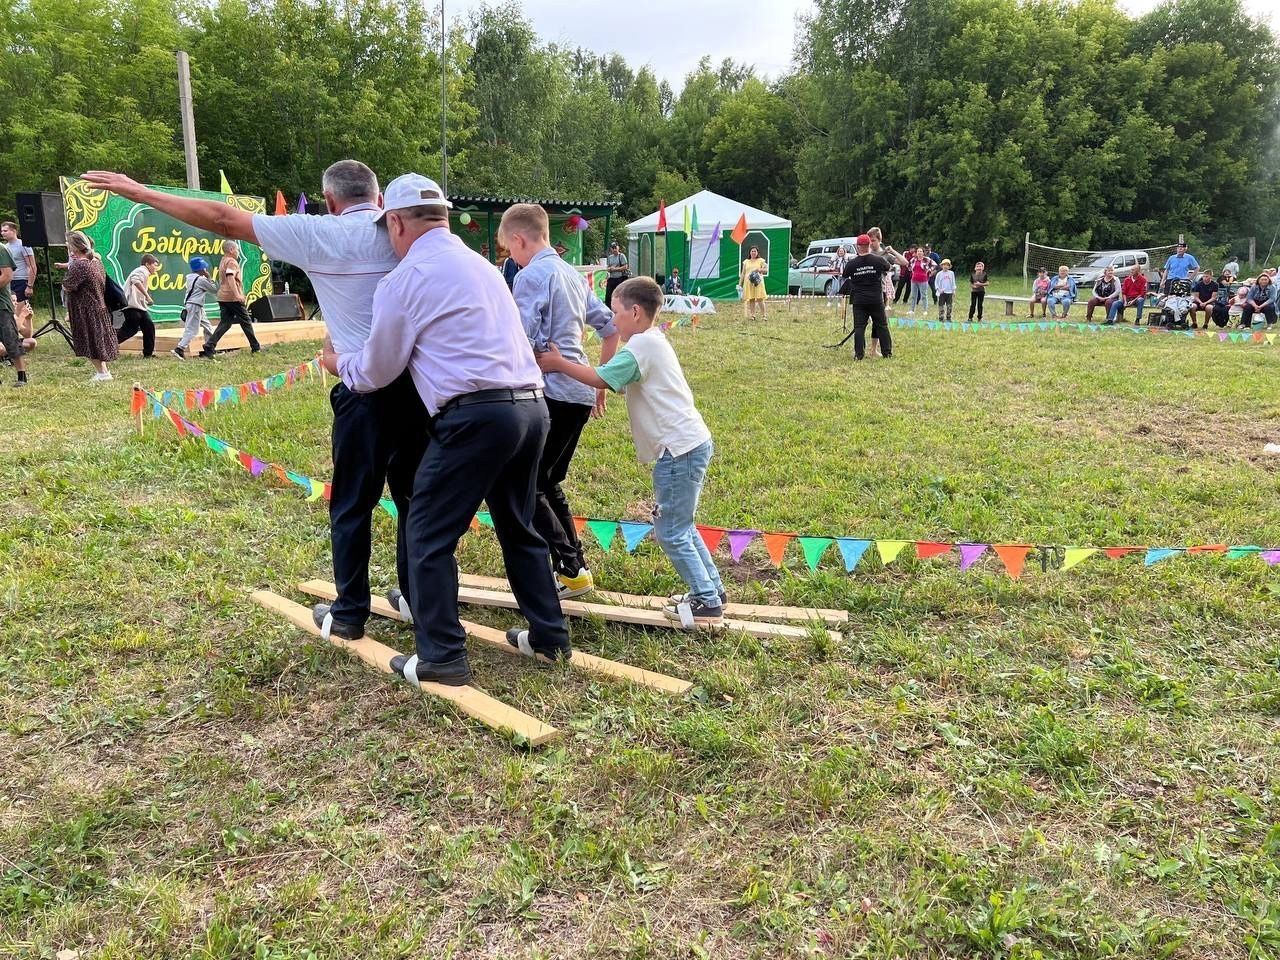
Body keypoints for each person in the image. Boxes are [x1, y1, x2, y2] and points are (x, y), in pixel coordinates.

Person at [83, 162, 430, 641]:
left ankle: (350, 613)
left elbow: (223, 219)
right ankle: (418, 597)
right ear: (378, 198)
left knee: (353, 504)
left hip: (363, 390)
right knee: (414, 499)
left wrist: (142, 194)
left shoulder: (319, 233)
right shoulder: (404, 232)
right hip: (420, 388)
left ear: (330, 201)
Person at [321, 173, 572, 684]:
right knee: (519, 526)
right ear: (443, 216)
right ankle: (550, 636)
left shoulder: (406, 278)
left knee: (427, 532)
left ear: (395, 222)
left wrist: (339, 361)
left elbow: (377, 371)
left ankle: (442, 656)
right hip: (531, 408)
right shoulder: (483, 266)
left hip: (475, 416)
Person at [534, 277, 726, 628]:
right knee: (682, 525)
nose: (612, 321)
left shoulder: (641, 348)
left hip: (678, 449)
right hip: (690, 443)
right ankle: (711, 588)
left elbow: (602, 378)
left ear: (635, 312)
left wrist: (558, 363)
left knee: (671, 531)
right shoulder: (652, 342)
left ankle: (706, 600)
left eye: (616, 313)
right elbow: (618, 380)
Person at [500, 202, 620, 599]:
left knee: (527, 483)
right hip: (578, 392)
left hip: (551, 393)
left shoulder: (532, 275)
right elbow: (610, 328)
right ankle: (576, 568)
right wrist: (599, 382)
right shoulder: (572, 274)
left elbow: (520, 337)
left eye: (509, 251)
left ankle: (569, 566)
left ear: (520, 240)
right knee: (547, 481)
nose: (511, 259)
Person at [841, 233, 908, 361]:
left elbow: (845, 275)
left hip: (859, 300)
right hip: (876, 299)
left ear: (857, 246)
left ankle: (859, 354)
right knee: (882, 325)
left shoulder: (852, 263)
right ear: (869, 245)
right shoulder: (878, 260)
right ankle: (887, 353)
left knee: (859, 327)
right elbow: (889, 268)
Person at [62, 230, 117, 381]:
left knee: (90, 342)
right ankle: (103, 371)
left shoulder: (80, 265)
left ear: (75, 247)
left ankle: (102, 373)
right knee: (98, 341)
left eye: (69, 245)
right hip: (98, 306)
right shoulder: (96, 262)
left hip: (85, 309)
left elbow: (68, 285)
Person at [200, 240, 261, 356]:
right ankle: (255, 347)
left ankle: (209, 345)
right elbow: (230, 276)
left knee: (226, 323)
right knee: (246, 321)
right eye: (237, 249)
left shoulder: (223, 260)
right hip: (232, 297)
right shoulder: (232, 262)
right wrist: (237, 294)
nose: (238, 252)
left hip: (222, 296)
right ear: (231, 250)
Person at [172, 257, 218, 359]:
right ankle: (179, 349)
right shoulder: (200, 280)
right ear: (201, 269)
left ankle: (209, 349)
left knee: (208, 327)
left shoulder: (190, 277)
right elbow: (214, 289)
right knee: (192, 330)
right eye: (204, 268)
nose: (206, 270)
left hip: (196, 306)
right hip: (195, 306)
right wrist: (209, 277)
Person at [117, 254, 160, 356]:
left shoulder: (144, 272)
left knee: (149, 326)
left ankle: (148, 353)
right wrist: (147, 296)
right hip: (131, 306)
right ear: (147, 264)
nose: (156, 267)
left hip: (138, 307)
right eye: (154, 264)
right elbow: (135, 280)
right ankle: (109, 345)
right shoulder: (142, 270)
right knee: (131, 329)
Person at [0, 240, 30, 386]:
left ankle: (21, 376)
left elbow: (7, 276)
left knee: (10, 339)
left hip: (2, 304)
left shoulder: (1, 249)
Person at [1, 221, 36, 309]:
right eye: (1, 231)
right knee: (11, 309)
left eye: (5, 231)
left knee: (22, 310)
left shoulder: (24, 245)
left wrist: (30, 286)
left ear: (14, 231)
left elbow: (32, 266)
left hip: (21, 281)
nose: (2, 233)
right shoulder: (5, 247)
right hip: (8, 281)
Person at [740, 246, 768, 319]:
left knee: (760, 299)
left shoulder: (761, 260)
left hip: (758, 283)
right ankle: (753, 315)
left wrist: (759, 269)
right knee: (751, 299)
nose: (753, 252)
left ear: (757, 252)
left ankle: (764, 315)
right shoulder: (746, 262)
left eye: (755, 251)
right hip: (748, 283)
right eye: (752, 251)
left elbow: (766, 270)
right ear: (750, 252)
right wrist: (740, 283)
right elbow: (743, 273)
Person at [604, 241, 629, 307]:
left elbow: (625, 266)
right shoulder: (610, 257)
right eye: (613, 248)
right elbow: (608, 267)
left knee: (620, 295)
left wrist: (615, 269)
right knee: (608, 296)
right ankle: (609, 309)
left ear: (618, 248)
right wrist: (609, 269)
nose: (614, 249)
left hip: (620, 278)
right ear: (611, 249)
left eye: (615, 247)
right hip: (612, 278)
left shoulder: (621, 256)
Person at [907, 249, 931, 315]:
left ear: (923, 253)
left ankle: (925, 310)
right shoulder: (913, 260)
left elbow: (934, 265)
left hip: (923, 280)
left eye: (921, 251)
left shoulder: (927, 259)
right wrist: (911, 271)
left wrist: (930, 271)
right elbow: (909, 266)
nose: (919, 252)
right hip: (914, 280)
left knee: (924, 295)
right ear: (916, 253)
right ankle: (912, 310)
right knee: (913, 296)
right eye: (918, 251)